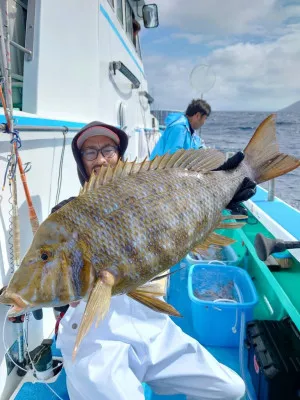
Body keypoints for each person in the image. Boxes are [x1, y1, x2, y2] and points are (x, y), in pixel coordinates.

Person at [52, 121, 246, 400]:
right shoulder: (65, 215)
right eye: (90, 153)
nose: (101, 159)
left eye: (108, 149)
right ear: (81, 163)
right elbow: (57, 283)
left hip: (152, 324)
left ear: (120, 155)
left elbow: (187, 217)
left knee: (230, 389)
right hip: (99, 334)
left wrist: (218, 199)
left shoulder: (155, 197)